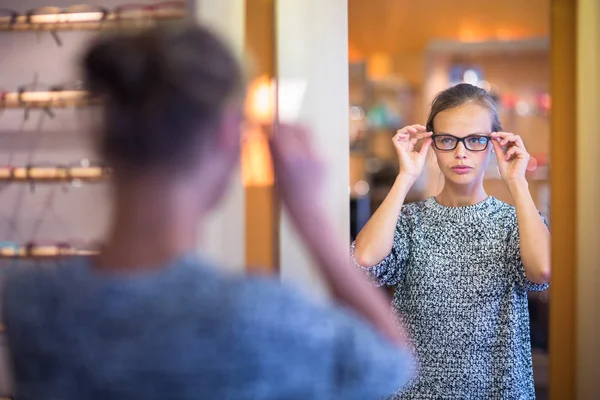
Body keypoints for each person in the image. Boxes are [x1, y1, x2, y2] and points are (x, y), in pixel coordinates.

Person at [1, 24, 415, 400]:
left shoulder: (31, 304)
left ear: (104, 140)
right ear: (226, 137)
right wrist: (310, 214)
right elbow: (390, 365)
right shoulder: (252, 315)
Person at [352, 83, 551, 399]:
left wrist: (518, 182)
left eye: (475, 140)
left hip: (497, 390)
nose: (461, 152)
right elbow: (364, 259)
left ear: (494, 144)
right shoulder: (409, 220)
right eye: (447, 140)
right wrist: (405, 177)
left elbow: (542, 271)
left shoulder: (517, 222)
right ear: (431, 144)